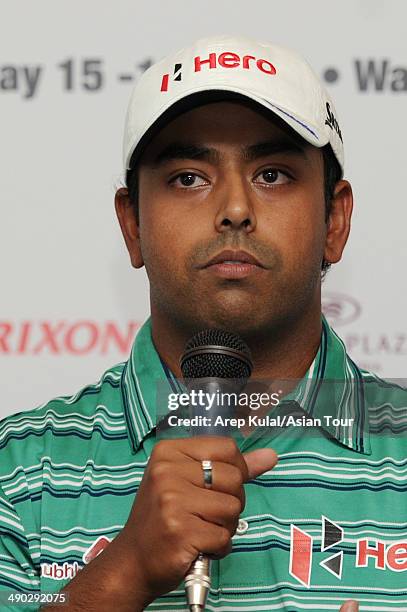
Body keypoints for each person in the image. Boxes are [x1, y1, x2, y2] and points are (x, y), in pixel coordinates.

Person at [1, 35, 406, 612]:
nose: (235, 208)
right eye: (189, 177)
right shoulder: (19, 472)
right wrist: (122, 575)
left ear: (334, 220)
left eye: (273, 174)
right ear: (132, 225)